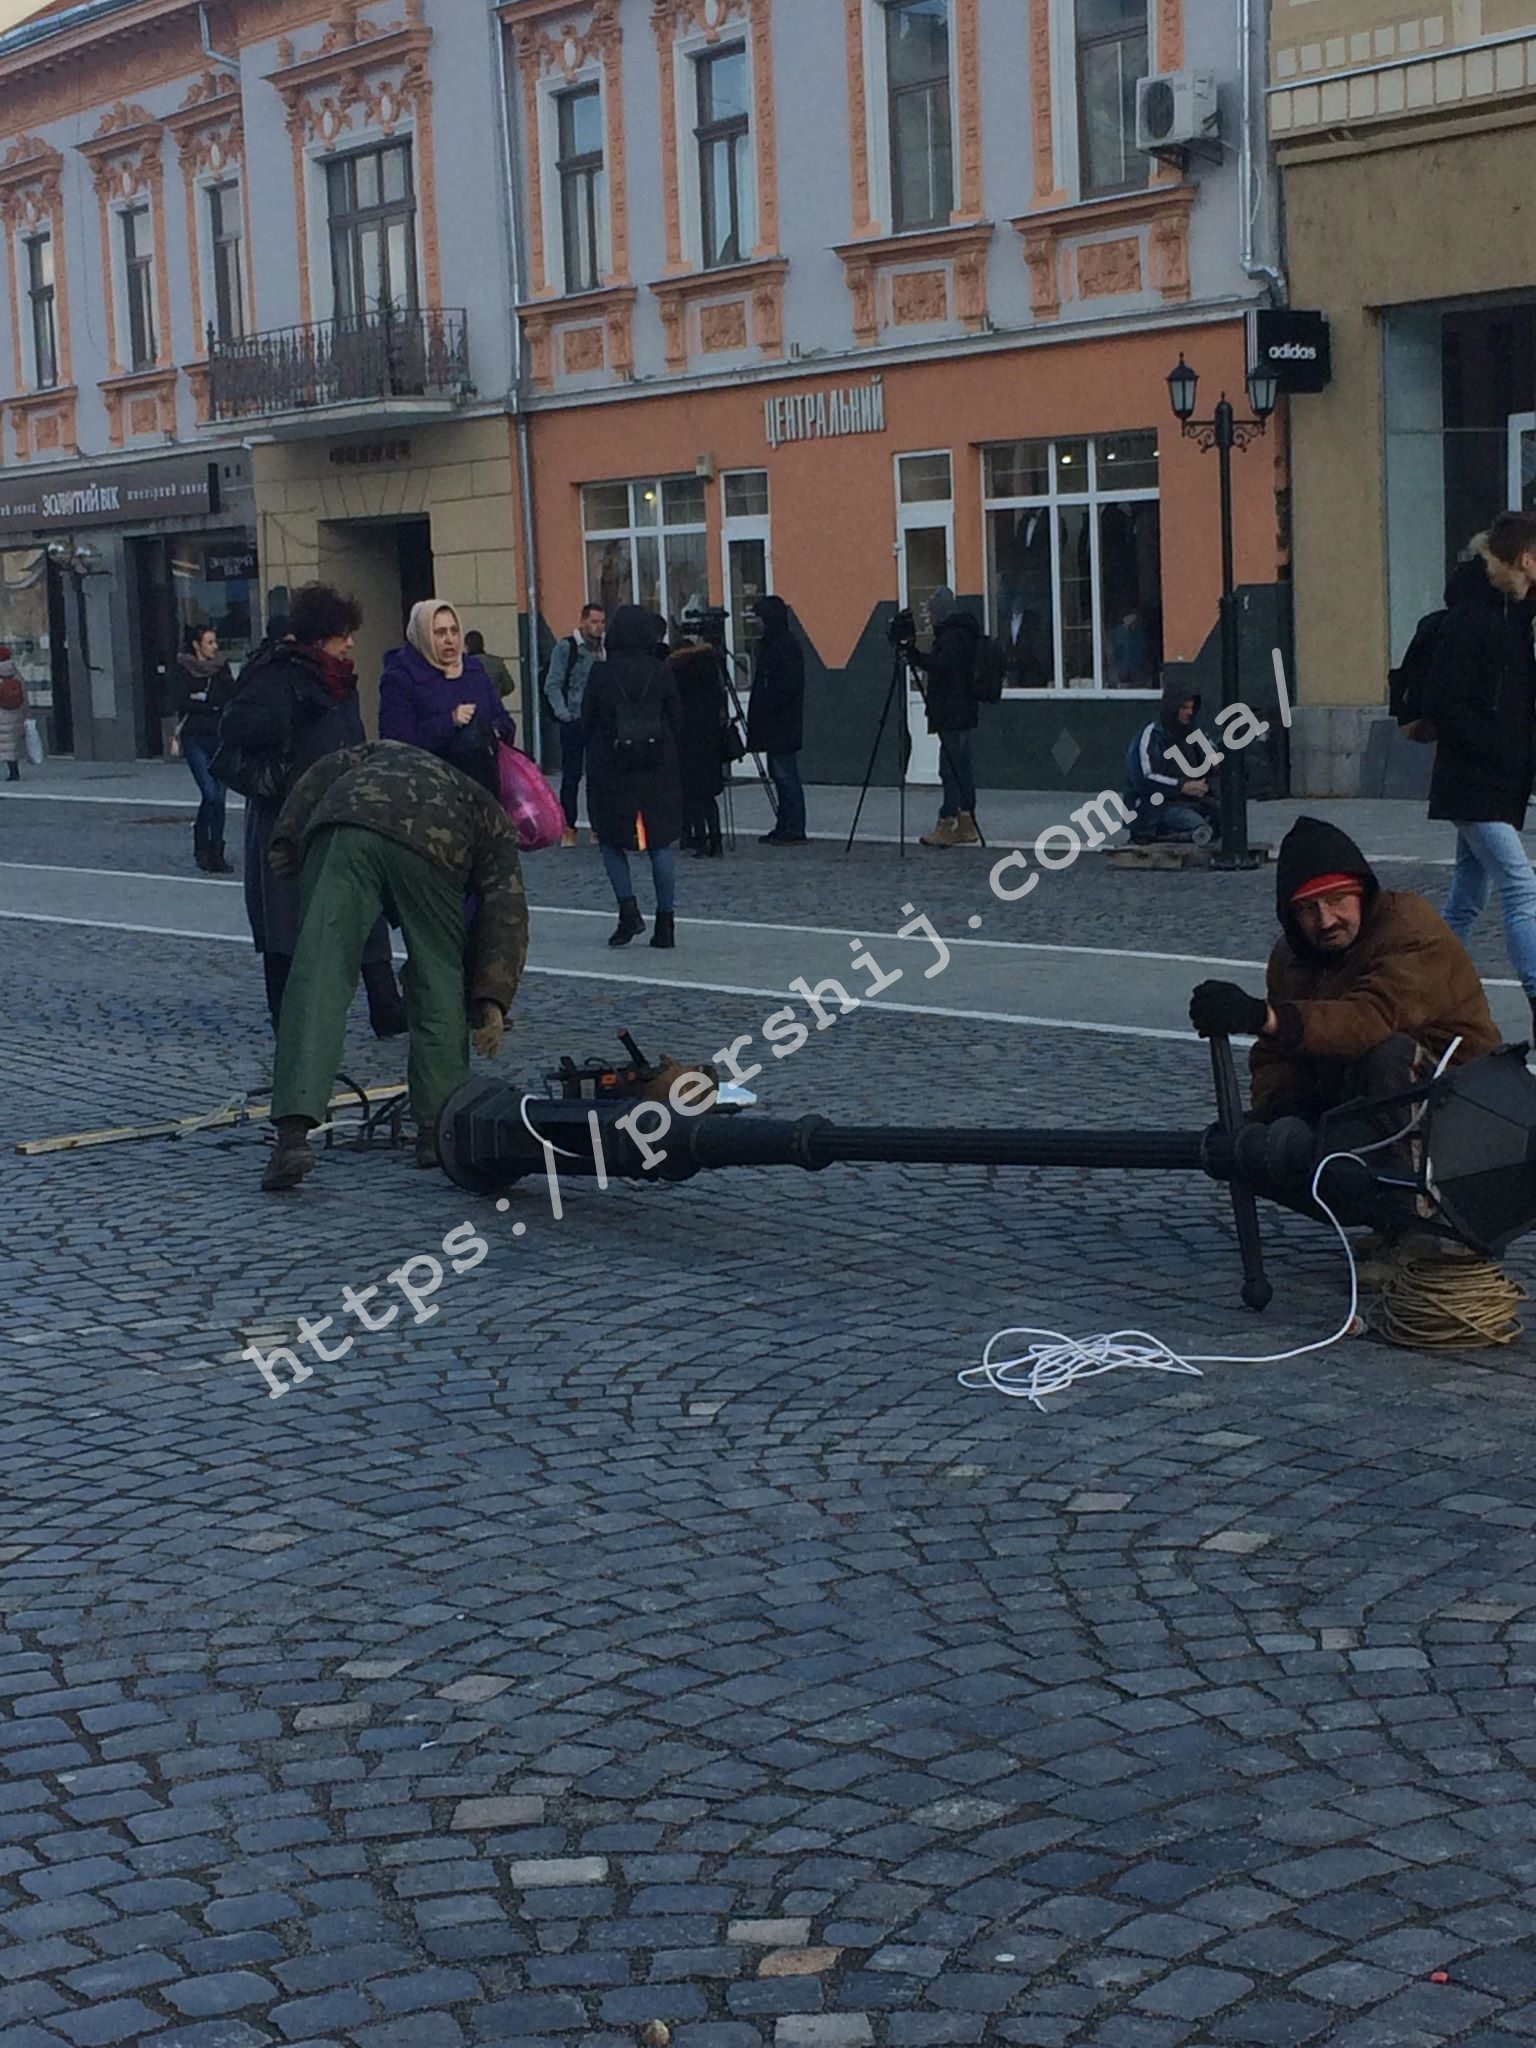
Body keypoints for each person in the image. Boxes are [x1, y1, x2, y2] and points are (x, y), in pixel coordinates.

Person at [260, 739, 528, 1190]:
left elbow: (323, 769)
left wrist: (288, 834)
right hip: (432, 847)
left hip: (344, 825)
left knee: (318, 973)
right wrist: (492, 1001)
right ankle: (437, 1132)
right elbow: (507, 911)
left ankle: (292, 1136)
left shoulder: (385, 752)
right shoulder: (494, 822)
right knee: (438, 976)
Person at [1188, 816, 1498, 1128]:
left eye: (1337, 900)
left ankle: (1391, 1174)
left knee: (1390, 1056)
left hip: (1468, 1099)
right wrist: (1286, 1109)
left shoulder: (1410, 927)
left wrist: (1267, 1018)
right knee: (1261, 1136)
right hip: (1356, 1094)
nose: (1326, 921)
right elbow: (1276, 1055)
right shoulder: (1290, 955)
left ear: (1361, 895)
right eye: (1308, 909)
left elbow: (1370, 1018)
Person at [218, 582, 406, 1036]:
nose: (352, 642)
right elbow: (236, 727)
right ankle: (286, 1015)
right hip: (288, 817)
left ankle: (386, 1005)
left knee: (366, 908)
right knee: (286, 921)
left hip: (342, 810)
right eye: (344, 633)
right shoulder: (277, 675)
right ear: (321, 635)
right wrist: (288, 722)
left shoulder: (340, 680)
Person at [1424, 513, 1536, 1040]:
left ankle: (1425, 988)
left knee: (1467, 898)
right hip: (1475, 778)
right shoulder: (1473, 617)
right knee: (1521, 886)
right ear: (1525, 558)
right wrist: (1497, 751)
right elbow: (1446, 701)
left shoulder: (1513, 611)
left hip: (1496, 779)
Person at [583, 604, 683, 949]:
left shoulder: (601, 674)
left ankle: (628, 912)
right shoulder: (662, 670)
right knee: (660, 843)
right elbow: (677, 717)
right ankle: (666, 922)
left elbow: (588, 721)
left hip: (612, 769)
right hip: (658, 768)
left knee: (611, 840)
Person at [380, 601, 515, 799]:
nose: (450, 639)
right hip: (430, 795)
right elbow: (397, 743)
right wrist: (450, 721)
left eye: (454, 630)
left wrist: (493, 730)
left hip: (484, 792)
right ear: (422, 635)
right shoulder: (400, 677)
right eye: (440, 632)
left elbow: (503, 719)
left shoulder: (474, 669)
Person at [909, 586, 980, 849]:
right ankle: (966, 822)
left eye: (931, 611)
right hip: (960, 710)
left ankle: (947, 821)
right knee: (961, 766)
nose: (929, 616)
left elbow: (943, 667)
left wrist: (916, 657)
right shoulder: (963, 633)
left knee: (950, 769)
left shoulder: (952, 637)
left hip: (953, 711)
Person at [174, 625, 237, 873]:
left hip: (220, 736)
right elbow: (179, 700)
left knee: (219, 799)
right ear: (196, 645)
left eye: (215, 641)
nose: (215, 647)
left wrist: (202, 700)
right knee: (210, 794)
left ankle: (217, 853)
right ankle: (201, 846)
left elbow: (229, 696)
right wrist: (207, 704)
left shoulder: (221, 668)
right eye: (209, 642)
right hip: (194, 738)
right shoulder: (181, 667)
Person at [746, 594, 806, 845]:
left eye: (759, 618)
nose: (757, 623)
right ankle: (785, 824)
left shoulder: (784, 645)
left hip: (782, 724)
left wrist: (767, 704)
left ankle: (793, 827)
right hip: (777, 724)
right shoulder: (775, 644)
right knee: (780, 774)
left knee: (785, 775)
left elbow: (786, 686)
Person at [544, 603, 605, 847]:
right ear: (583, 621)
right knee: (571, 776)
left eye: (602, 622)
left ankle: (597, 827)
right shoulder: (566, 647)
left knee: (597, 776)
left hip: (598, 721)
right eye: (594, 622)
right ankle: (568, 826)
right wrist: (564, 714)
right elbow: (553, 683)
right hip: (573, 720)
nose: (598, 627)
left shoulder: (603, 650)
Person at [1125, 682, 1217, 844]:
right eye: (1184, 708)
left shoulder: (1195, 732)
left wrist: (1205, 781)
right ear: (1173, 708)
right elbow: (1144, 777)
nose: (1189, 713)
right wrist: (1181, 786)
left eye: (1191, 708)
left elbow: (1212, 759)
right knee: (1194, 823)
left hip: (1192, 800)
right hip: (1158, 804)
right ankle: (1161, 834)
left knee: (1223, 819)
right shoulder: (1151, 735)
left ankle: (1190, 833)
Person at [672, 615, 729, 859]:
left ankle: (698, 837)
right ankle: (716, 839)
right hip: (710, 739)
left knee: (692, 793)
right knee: (708, 796)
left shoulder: (680, 672)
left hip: (687, 738)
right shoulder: (711, 671)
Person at [463, 628, 515, 702]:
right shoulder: (496, 662)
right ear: (482, 644)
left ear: (466, 647)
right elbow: (509, 687)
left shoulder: (461, 665)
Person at [0, 647, 28, 783]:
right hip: (15, 713)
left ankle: (12, 773)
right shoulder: (15, 673)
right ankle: (14, 771)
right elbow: (24, 694)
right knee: (10, 744)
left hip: (1, 713)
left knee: (4, 744)